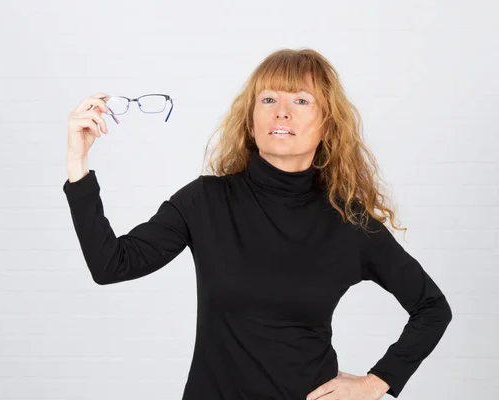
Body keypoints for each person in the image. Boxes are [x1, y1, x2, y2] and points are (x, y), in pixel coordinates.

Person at [62, 48, 452, 400]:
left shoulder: (348, 222)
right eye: (268, 99)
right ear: (251, 122)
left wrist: (375, 382)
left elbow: (432, 307)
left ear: (328, 127)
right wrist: (78, 165)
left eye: (301, 100)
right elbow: (111, 265)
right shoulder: (206, 200)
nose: (282, 111)